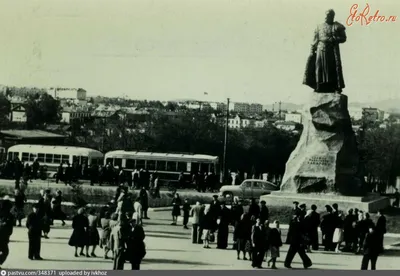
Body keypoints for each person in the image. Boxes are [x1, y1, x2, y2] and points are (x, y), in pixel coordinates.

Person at [303, 9, 347, 93]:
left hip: (332, 50)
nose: (326, 17)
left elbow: (343, 38)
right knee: (319, 68)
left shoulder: (337, 26)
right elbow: (314, 40)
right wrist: (312, 51)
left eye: (329, 15)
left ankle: (334, 87)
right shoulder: (319, 27)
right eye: (326, 15)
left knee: (332, 69)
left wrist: (334, 39)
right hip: (320, 49)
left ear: (332, 16)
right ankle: (319, 86)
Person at [0, 198, 15, 268]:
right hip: (3, 237)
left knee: (5, 251)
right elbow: (10, 227)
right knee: (5, 251)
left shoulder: (9, 215)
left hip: (4, 236)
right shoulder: (9, 215)